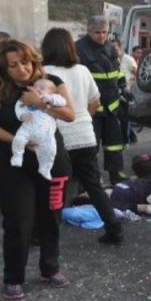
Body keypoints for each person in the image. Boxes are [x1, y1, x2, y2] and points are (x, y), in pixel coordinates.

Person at [0, 39, 75, 300]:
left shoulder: (52, 81)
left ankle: (50, 268)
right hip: (14, 165)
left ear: (34, 59)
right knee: (18, 222)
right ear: (3, 68)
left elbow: (69, 114)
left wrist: (41, 102)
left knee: (51, 216)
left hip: (53, 161)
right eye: (13, 65)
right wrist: (17, 141)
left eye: (25, 62)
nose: (22, 69)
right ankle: (13, 278)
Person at [41, 27, 124, 245]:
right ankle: (114, 229)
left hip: (57, 138)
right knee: (94, 187)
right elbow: (95, 100)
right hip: (85, 135)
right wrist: (84, 117)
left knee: (51, 187)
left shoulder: (42, 72)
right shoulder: (82, 70)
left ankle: (43, 235)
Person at [76, 16, 127, 185]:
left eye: (104, 32)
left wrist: (123, 87)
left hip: (111, 106)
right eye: (97, 32)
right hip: (91, 108)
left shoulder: (111, 47)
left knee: (114, 143)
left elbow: (116, 70)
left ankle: (116, 174)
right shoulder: (78, 48)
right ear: (89, 31)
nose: (101, 36)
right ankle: (90, 179)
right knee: (91, 146)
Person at [11, 78, 67, 180]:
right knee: (18, 139)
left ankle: (45, 168)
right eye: (35, 86)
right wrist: (22, 115)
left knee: (50, 150)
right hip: (27, 127)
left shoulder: (52, 97)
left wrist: (51, 100)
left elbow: (63, 101)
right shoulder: (26, 97)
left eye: (42, 87)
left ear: (51, 91)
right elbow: (18, 106)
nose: (37, 89)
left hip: (46, 133)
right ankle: (17, 156)